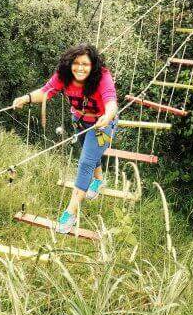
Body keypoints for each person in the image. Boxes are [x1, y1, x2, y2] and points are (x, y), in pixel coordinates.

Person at [13, 43, 118, 233]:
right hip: (79, 120)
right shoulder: (64, 75)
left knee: (86, 162)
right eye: (76, 63)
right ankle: (98, 180)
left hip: (102, 124)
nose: (80, 68)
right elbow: (46, 91)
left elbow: (111, 101)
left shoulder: (102, 76)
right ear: (70, 64)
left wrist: (108, 116)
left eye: (85, 64)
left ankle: (71, 212)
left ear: (93, 65)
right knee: (87, 151)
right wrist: (26, 98)